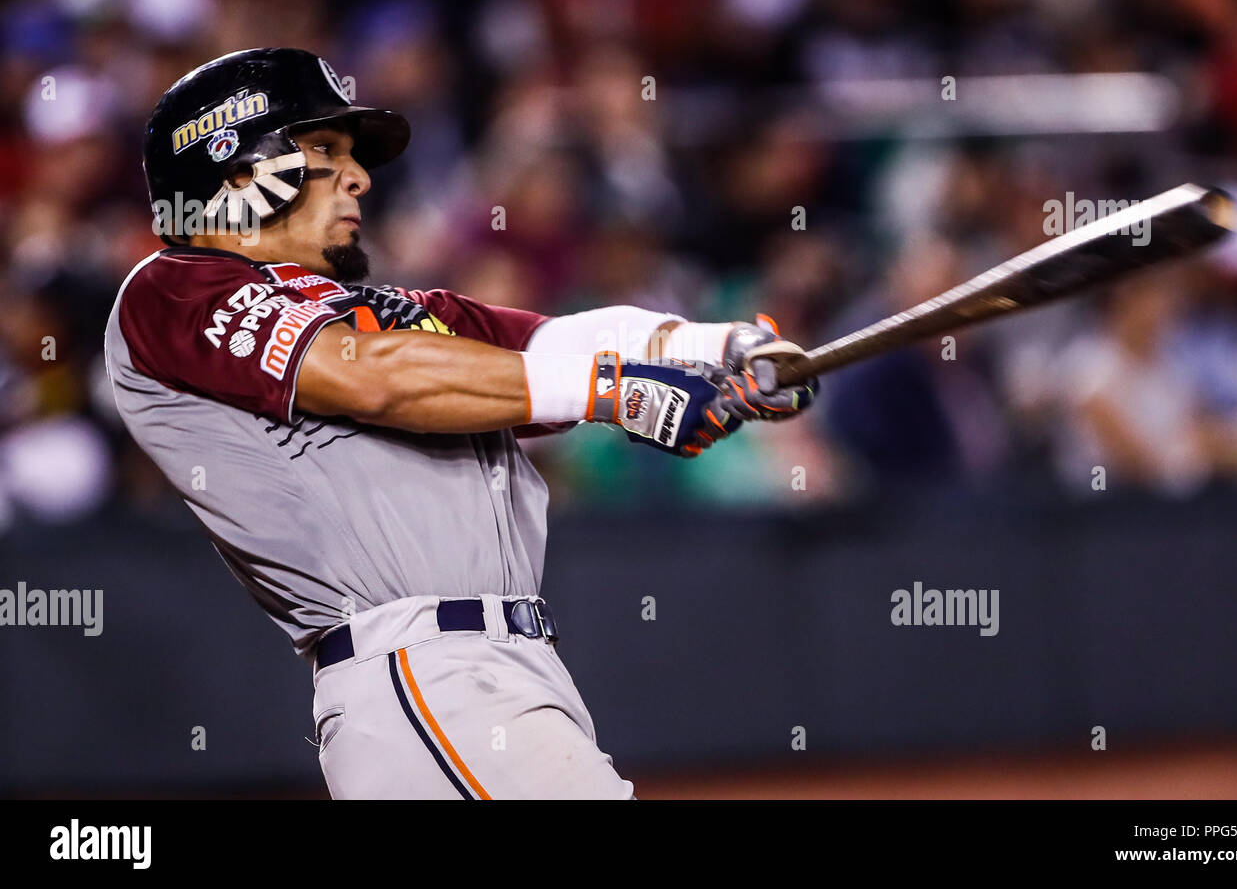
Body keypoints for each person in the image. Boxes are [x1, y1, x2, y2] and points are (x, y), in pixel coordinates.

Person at [103, 48, 817, 799]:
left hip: (492, 673)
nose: (359, 178)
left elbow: (558, 339)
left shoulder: (396, 312)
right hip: (421, 671)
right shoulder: (171, 292)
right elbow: (371, 376)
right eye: (324, 150)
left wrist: (720, 346)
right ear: (237, 165)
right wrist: (620, 394)